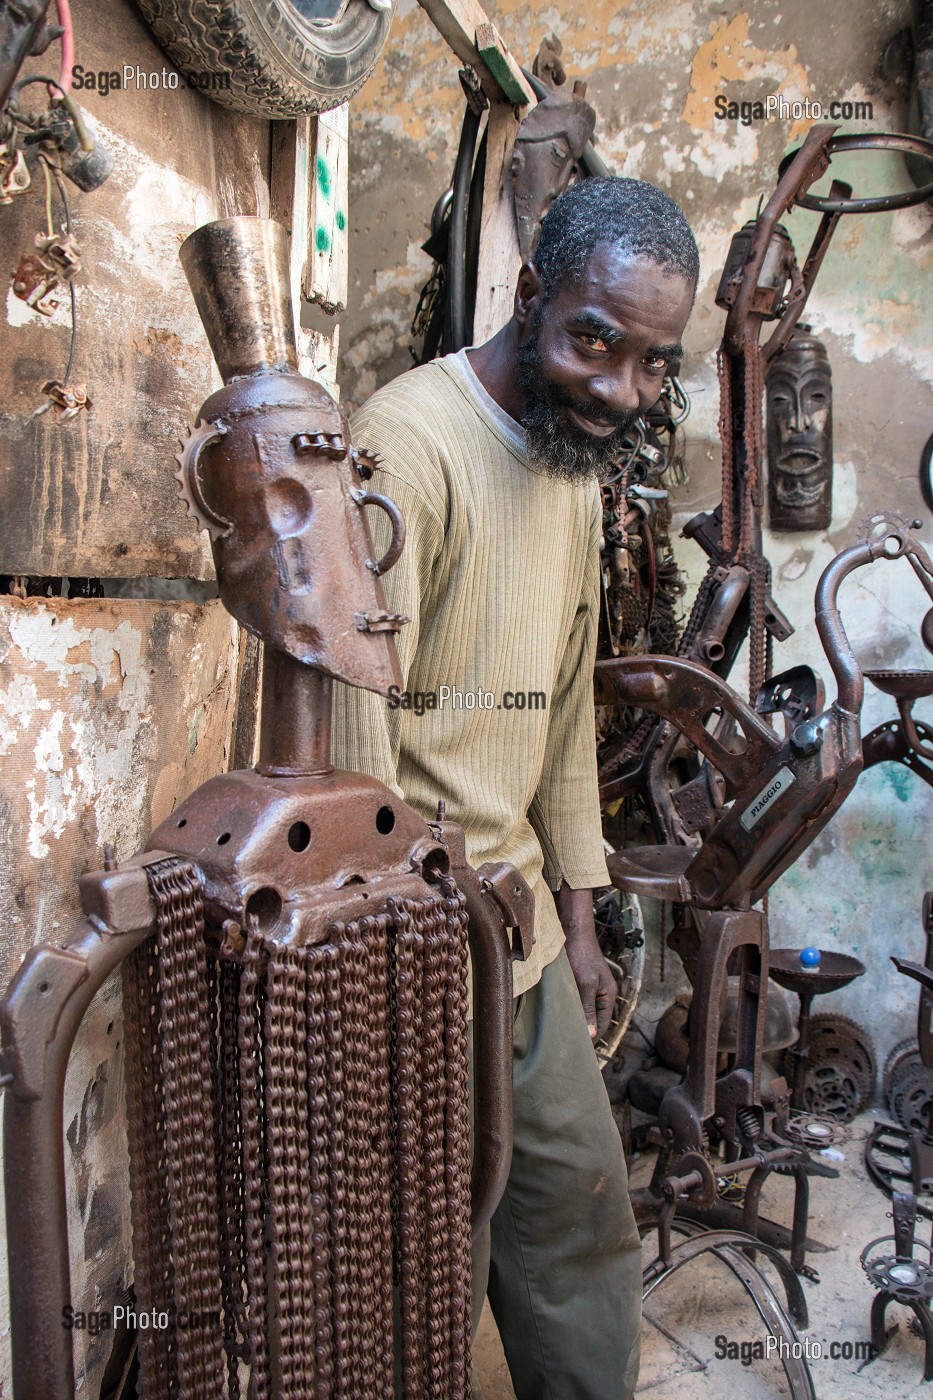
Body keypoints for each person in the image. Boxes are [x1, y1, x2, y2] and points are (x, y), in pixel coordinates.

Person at [332, 175, 699, 1400]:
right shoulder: (408, 443)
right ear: (531, 292)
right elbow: (356, 746)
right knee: (425, 1270)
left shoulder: (575, 465)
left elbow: (559, 717)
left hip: (526, 939)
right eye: (597, 341)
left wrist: (582, 916)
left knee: (583, 1229)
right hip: (416, 942)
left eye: (652, 365)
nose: (618, 390)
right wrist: (417, 927)